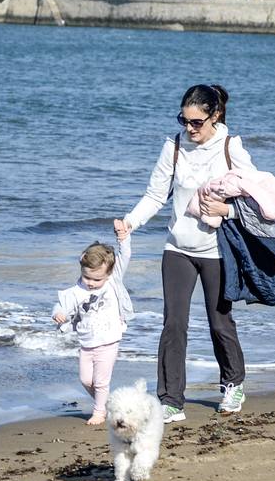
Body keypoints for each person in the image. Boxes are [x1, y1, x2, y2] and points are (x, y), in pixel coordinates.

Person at [114, 83, 256, 423]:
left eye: (196, 122)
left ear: (214, 116)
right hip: (177, 248)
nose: (189, 128)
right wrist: (130, 222)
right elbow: (155, 195)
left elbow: (258, 198)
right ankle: (171, 401)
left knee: (219, 322)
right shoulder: (174, 147)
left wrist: (227, 210)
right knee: (173, 324)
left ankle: (233, 383)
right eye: (184, 120)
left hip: (217, 250)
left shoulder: (230, 147)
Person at [52, 233, 134, 425]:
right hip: (87, 342)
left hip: (109, 340)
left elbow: (125, 255)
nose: (90, 282)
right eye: (87, 277)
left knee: (101, 382)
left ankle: (99, 412)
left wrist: (123, 238)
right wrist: (58, 313)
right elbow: (61, 304)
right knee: (86, 380)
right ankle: (107, 404)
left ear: (108, 273)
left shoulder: (113, 280)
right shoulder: (77, 290)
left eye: (97, 280)